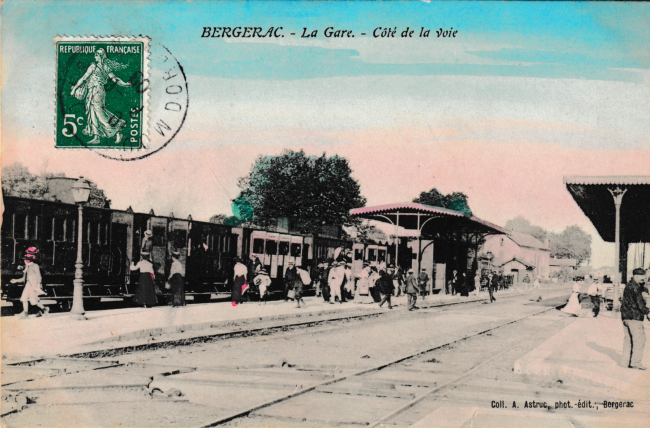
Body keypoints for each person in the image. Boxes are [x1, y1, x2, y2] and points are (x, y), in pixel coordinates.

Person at [70, 48, 132, 145]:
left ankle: (117, 129)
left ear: (100, 56)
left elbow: (84, 78)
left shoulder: (93, 66)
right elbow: (115, 79)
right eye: (95, 54)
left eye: (97, 55)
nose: (95, 56)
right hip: (95, 91)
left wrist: (74, 89)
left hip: (97, 91)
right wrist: (124, 84)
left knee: (99, 114)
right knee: (93, 113)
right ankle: (96, 137)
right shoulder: (105, 67)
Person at [621, 268, 649, 370]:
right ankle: (635, 363)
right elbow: (639, 303)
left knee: (628, 340)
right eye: (642, 277)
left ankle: (625, 362)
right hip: (635, 317)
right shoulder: (636, 288)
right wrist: (648, 312)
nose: (644, 279)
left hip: (626, 317)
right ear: (636, 276)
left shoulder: (629, 285)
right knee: (640, 340)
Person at [11, 248, 49, 318]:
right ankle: (25, 313)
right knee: (23, 298)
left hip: (34, 285)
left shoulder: (35, 266)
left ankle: (44, 309)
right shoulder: (27, 268)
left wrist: (38, 285)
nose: (25, 261)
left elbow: (39, 276)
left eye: (26, 259)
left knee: (33, 301)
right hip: (28, 284)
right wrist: (15, 280)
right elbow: (23, 279)